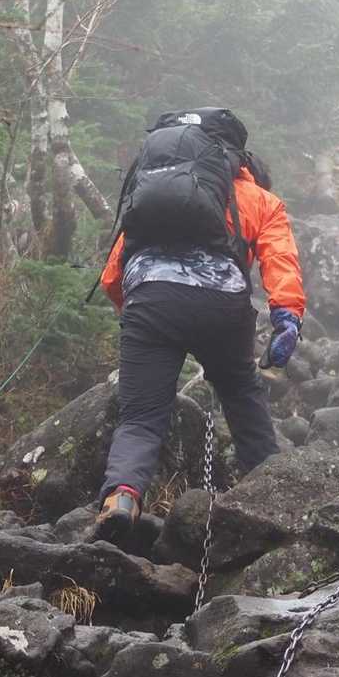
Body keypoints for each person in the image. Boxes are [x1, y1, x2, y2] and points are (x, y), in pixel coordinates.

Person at [94, 109, 306, 542]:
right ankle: (271, 495)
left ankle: (122, 498)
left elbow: (113, 275)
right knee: (241, 392)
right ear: (240, 158)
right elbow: (279, 260)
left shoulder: (154, 190)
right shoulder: (258, 198)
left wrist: (136, 316)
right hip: (222, 306)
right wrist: (287, 317)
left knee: (141, 416)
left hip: (150, 301)